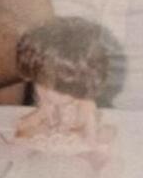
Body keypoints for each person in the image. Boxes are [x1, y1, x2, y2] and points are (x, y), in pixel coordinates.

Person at [14, 16, 113, 145]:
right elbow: (26, 124)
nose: (49, 95)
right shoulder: (47, 103)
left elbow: (92, 140)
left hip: (76, 140)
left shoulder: (86, 105)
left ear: (80, 85)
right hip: (53, 139)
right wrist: (30, 124)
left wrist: (85, 138)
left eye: (60, 89)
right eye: (42, 85)